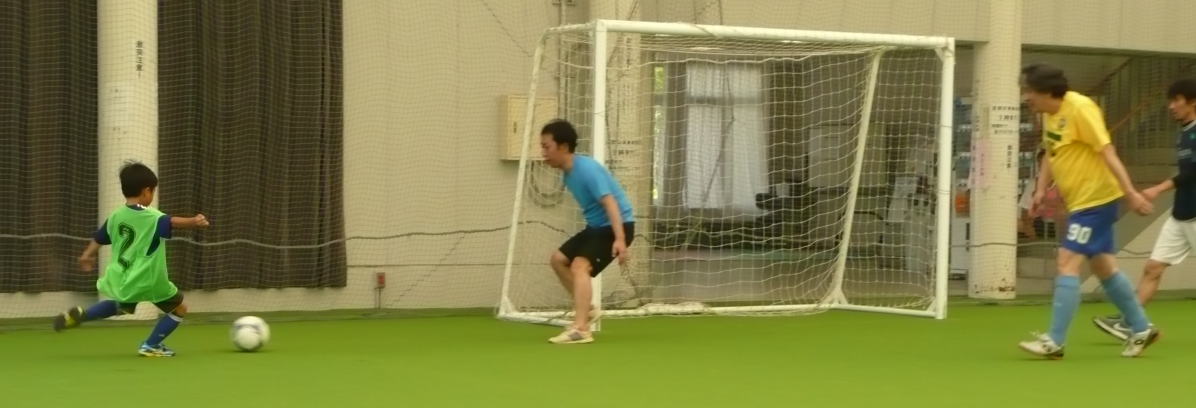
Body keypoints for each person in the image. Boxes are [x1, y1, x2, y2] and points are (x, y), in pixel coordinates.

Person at [1015, 63, 1160, 359]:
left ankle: (1055, 341)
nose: (1026, 97)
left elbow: (1107, 151)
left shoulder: (1081, 108)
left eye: (1029, 91)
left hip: (1096, 201)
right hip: (1082, 203)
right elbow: (1052, 153)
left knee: (1066, 262)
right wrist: (1040, 190)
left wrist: (1131, 193)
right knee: (1104, 267)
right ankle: (1141, 327)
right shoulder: (1048, 115)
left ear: (1046, 91)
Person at [53, 162, 210, 357]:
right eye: (153, 191)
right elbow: (171, 221)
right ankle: (151, 345)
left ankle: (83, 315)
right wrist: (194, 221)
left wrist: (86, 255)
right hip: (150, 279)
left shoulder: (116, 216)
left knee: (121, 305)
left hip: (126, 278)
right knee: (179, 309)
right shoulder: (152, 216)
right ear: (146, 191)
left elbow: (99, 238)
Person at [1093, 78, 1196, 340]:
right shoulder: (1183, 133)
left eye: (1176, 100)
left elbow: (1192, 173)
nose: (1171, 106)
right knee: (1153, 267)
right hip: (1180, 215)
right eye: (1170, 101)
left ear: (1192, 102)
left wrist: (1157, 189)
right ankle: (1132, 321)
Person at [539, 120, 635, 344]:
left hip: (617, 226)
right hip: (597, 227)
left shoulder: (587, 169)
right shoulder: (567, 173)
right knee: (558, 260)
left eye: (547, 147)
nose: (543, 153)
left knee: (580, 266)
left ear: (563, 147)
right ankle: (588, 309)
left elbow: (610, 203)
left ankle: (581, 329)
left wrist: (620, 240)